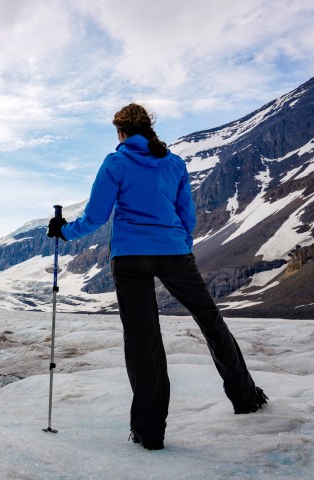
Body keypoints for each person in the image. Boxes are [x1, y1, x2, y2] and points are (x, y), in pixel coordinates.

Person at [47, 103, 267, 451]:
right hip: (174, 254)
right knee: (210, 320)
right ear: (148, 128)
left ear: (120, 132)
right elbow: (186, 215)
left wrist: (63, 231)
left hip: (130, 258)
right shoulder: (174, 163)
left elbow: (95, 217)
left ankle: (150, 431)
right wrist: (180, 243)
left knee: (143, 339)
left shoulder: (115, 162)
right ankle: (246, 397)